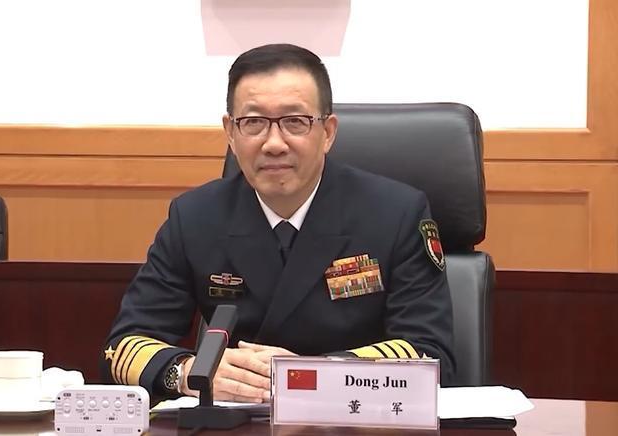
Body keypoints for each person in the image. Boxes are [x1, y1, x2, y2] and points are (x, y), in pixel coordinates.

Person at [101, 43, 455, 404]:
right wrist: (190, 372)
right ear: (230, 133)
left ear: (328, 132)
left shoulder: (395, 213)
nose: (273, 144)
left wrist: (308, 376)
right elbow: (124, 346)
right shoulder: (195, 217)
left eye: (295, 122)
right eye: (253, 123)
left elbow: (429, 351)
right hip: (237, 419)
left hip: (355, 417)